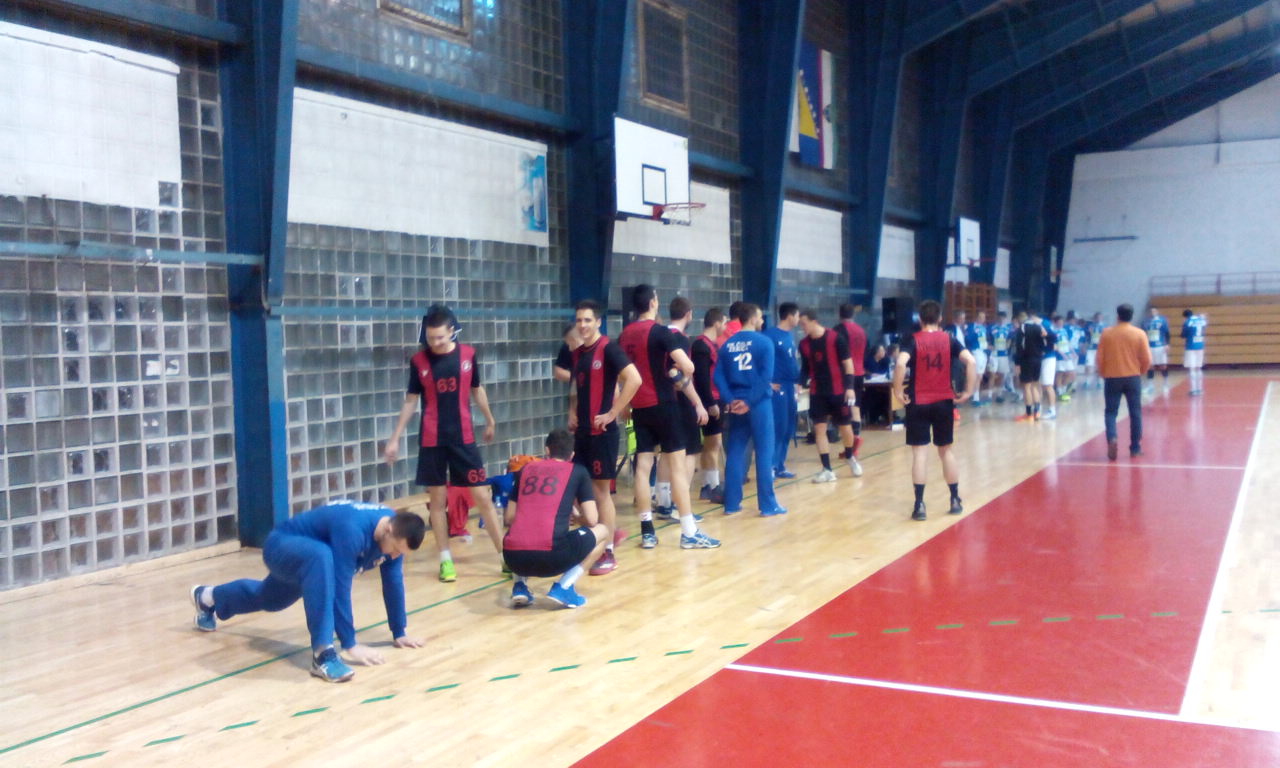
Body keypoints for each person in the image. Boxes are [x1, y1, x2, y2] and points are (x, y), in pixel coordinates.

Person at [191, 501, 427, 683]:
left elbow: (393, 581)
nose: (395, 555)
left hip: (310, 564)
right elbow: (340, 588)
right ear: (388, 529)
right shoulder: (353, 529)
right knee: (322, 557)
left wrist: (399, 631)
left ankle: (207, 598)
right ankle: (323, 654)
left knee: (270, 599)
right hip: (282, 545)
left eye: (401, 552)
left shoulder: (395, 536)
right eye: (395, 549)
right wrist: (350, 644)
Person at [384, 307, 503, 583]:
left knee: (483, 497)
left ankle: (504, 556)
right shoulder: (419, 361)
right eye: (430, 338)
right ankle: (445, 560)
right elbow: (411, 401)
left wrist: (489, 419)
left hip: (464, 438)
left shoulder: (468, 355)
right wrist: (395, 437)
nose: (435, 343)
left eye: (439, 337)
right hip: (431, 440)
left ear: (451, 331)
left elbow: (476, 389)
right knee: (437, 502)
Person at [618, 284, 719, 550]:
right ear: (653, 302)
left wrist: (623, 402)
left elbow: (621, 373)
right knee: (677, 467)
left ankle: (647, 532)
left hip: (639, 407)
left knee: (643, 468)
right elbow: (688, 367)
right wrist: (678, 369)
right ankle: (689, 532)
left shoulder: (625, 335)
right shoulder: (660, 332)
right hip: (664, 405)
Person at [552, 299, 641, 575]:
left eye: (588, 320)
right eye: (579, 320)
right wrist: (572, 411)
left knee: (601, 493)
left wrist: (613, 412)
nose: (583, 325)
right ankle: (594, 541)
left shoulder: (609, 348)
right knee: (580, 491)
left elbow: (634, 379)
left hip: (602, 434)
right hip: (582, 434)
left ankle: (608, 550)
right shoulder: (578, 354)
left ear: (598, 322)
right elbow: (577, 388)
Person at [504, 429, 609, 608]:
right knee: (603, 531)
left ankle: (519, 585)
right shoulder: (578, 471)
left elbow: (509, 518)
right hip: (552, 558)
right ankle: (564, 587)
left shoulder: (525, 470)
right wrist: (577, 517)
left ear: (547, 450)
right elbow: (592, 520)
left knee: (517, 531)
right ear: (572, 455)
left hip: (513, 559)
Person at [892, 300, 977, 521]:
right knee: (946, 451)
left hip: (918, 402)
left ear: (920, 319)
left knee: (920, 453)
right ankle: (955, 499)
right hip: (943, 401)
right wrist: (968, 390)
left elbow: (900, 363)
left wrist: (898, 390)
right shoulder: (949, 339)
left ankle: (920, 505)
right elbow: (971, 361)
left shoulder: (913, 339)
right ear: (939, 319)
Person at [716, 303, 784, 516]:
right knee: (764, 452)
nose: (762, 321)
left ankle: (731, 504)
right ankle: (768, 505)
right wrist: (749, 401)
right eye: (760, 317)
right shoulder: (764, 342)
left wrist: (731, 400)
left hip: (736, 403)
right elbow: (765, 378)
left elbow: (718, 376)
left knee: (735, 451)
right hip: (759, 403)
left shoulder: (727, 345)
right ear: (753, 318)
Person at [652, 296, 705, 521]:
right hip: (680, 402)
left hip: (660, 401)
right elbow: (678, 375)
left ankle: (663, 503)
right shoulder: (680, 339)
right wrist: (698, 403)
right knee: (690, 452)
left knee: (667, 453)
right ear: (688, 314)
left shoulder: (659, 334)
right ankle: (678, 505)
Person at [798, 309, 860, 482]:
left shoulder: (836, 338)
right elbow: (805, 368)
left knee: (845, 427)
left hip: (838, 391)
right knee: (819, 429)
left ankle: (850, 456)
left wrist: (850, 388)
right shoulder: (803, 344)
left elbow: (848, 365)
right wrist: (799, 383)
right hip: (817, 393)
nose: (802, 327)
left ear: (814, 321)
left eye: (804, 324)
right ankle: (827, 469)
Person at [1097, 303, 1152, 460]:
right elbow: (1147, 358)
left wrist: (1103, 373)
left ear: (1117, 316)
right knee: (1135, 413)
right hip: (1132, 377)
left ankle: (1112, 438)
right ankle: (1135, 448)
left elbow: (1099, 357)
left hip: (1112, 377)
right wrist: (1141, 371)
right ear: (1132, 316)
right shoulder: (1139, 333)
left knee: (1110, 412)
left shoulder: (1107, 333)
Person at [692, 308, 727, 502]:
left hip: (714, 399)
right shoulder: (701, 345)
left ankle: (707, 485)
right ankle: (713, 486)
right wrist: (710, 403)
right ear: (717, 323)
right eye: (724, 322)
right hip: (709, 401)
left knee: (711, 444)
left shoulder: (711, 345)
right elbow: (702, 378)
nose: (726, 326)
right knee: (713, 444)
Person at [764, 302, 801, 479]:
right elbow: (761, 360)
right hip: (777, 387)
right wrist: (767, 383)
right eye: (797, 315)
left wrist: (798, 382)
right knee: (778, 427)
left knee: (788, 427)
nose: (798, 319)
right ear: (790, 316)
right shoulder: (769, 335)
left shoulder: (790, 336)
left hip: (790, 386)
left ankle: (780, 465)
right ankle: (770, 466)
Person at [835, 303, 869, 462]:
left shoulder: (838, 331)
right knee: (856, 408)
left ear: (839, 314)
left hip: (845, 375)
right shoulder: (862, 331)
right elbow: (866, 352)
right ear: (853, 315)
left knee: (844, 413)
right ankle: (855, 441)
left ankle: (849, 446)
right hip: (860, 373)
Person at [1014, 311, 1047, 421]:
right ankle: (1037, 412)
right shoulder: (1038, 327)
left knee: (1027, 386)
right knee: (1035, 385)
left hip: (1026, 360)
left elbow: (1019, 347)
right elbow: (1045, 342)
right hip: (1038, 359)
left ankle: (1028, 414)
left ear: (1019, 319)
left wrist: (1017, 363)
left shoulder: (1022, 328)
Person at [1143, 306, 1171, 394]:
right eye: (1151, 311)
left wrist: (1167, 344)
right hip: (1150, 346)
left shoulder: (1162, 320)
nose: (1152, 313)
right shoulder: (1145, 322)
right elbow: (1144, 334)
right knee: (1150, 366)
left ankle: (1166, 384)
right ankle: (1150, 386)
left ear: (1157, 312)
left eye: (1154, 311)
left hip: (1161, 346)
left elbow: (1167, 333)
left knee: (1163, 366)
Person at [1181, 308, 1208, 396]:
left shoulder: (1187, 322)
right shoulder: (1201, 320)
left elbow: (1183, 334)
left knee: (1192, 368)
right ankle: (1200, 389)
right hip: (1200, 345)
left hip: (1191, 346)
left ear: (1185, 316)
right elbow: (1204, 326)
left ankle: (1193, 389)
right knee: (1198, 368)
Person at [989, 311, 1013, 402]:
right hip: (994, 354)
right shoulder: (992, 328)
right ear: (997, 318)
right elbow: (987, 338)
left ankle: (999, 394)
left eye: (1003, 318)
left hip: (1004, 354)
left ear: (1005, 319)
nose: (1001, 320)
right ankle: (989, 394)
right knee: (992, 374)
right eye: (999, 318)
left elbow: (1011, 339)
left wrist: (1009, 344)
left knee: (1002, 374)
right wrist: (989, 346)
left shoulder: (1008, 328)